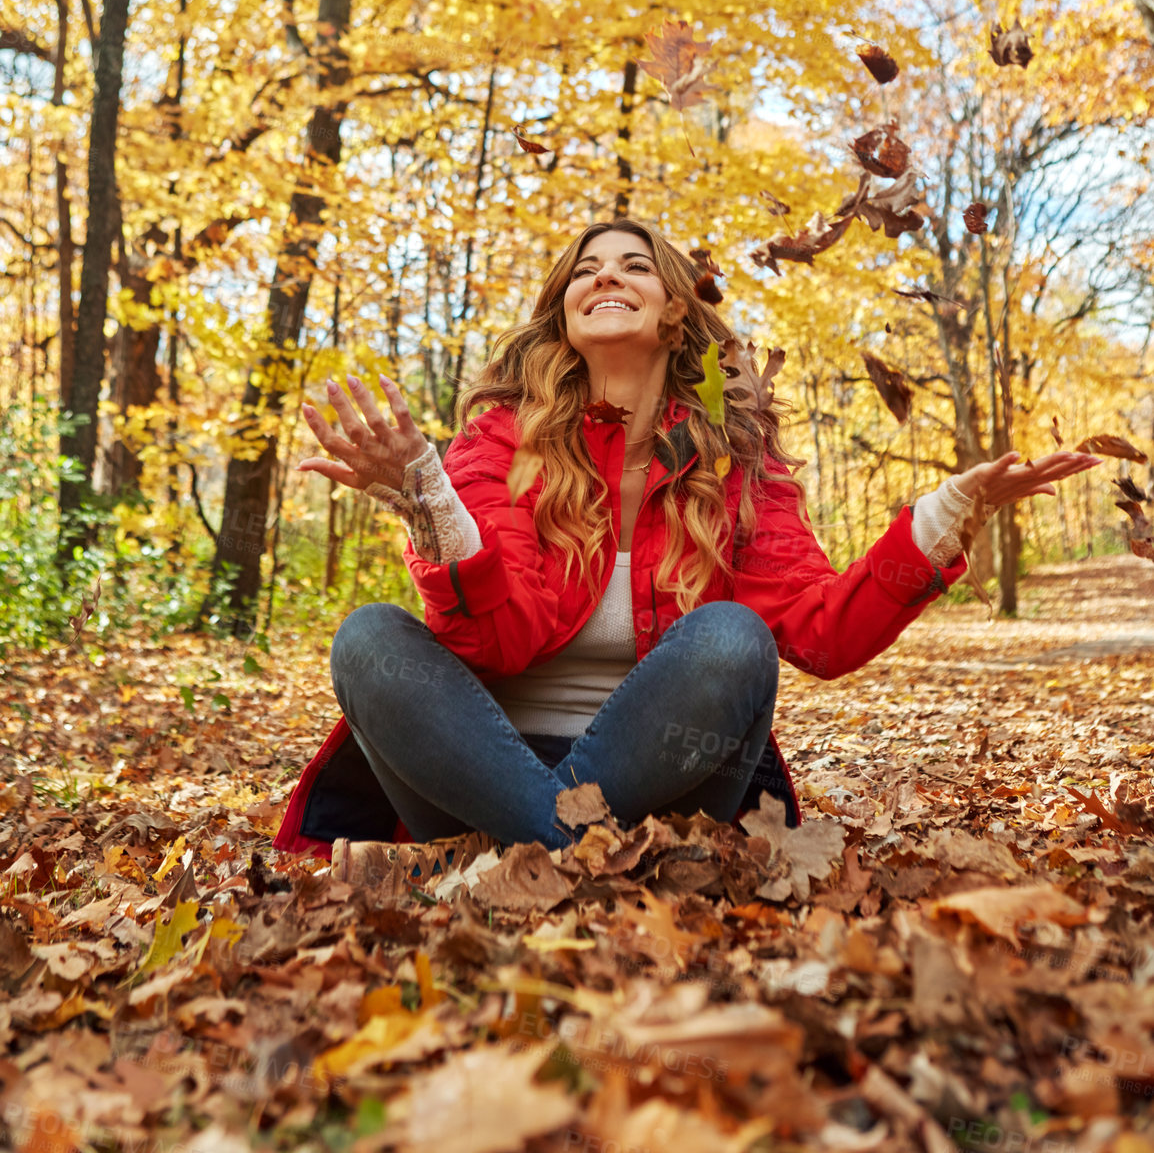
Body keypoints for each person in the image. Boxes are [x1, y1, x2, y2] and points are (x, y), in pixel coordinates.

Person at [273, 218, 1102, 857]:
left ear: (675, 309)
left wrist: (942, 518)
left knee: (732, 638)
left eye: (635, 265)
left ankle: (521, 859)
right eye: (587, 268)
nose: (607, 273)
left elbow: (821, 633)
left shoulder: (739, 462)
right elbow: (499, 638)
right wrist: (429, 498)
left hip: (664, 788)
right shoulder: (499, 440)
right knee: (369, 637)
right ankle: (572, 853)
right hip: (476, 773)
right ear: (563, 313)